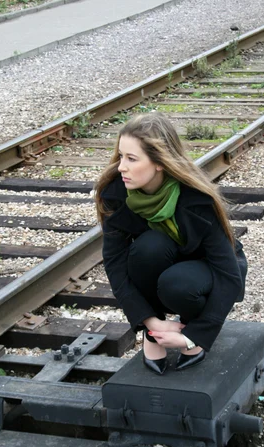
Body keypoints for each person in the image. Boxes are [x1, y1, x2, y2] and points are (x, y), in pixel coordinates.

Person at [94, 113, 247, 375]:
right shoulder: (116, 195)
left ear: (159, 163)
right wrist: (150, 322)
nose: (121, 167)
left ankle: (189, 329)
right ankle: (155, 336)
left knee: (177, 284)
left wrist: (195, 335)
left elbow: (228, 273)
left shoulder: (197, 199)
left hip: (207, 271)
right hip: (164, 261)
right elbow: (116, 264)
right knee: (148, 247)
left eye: (132, 159)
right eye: (121, 156)